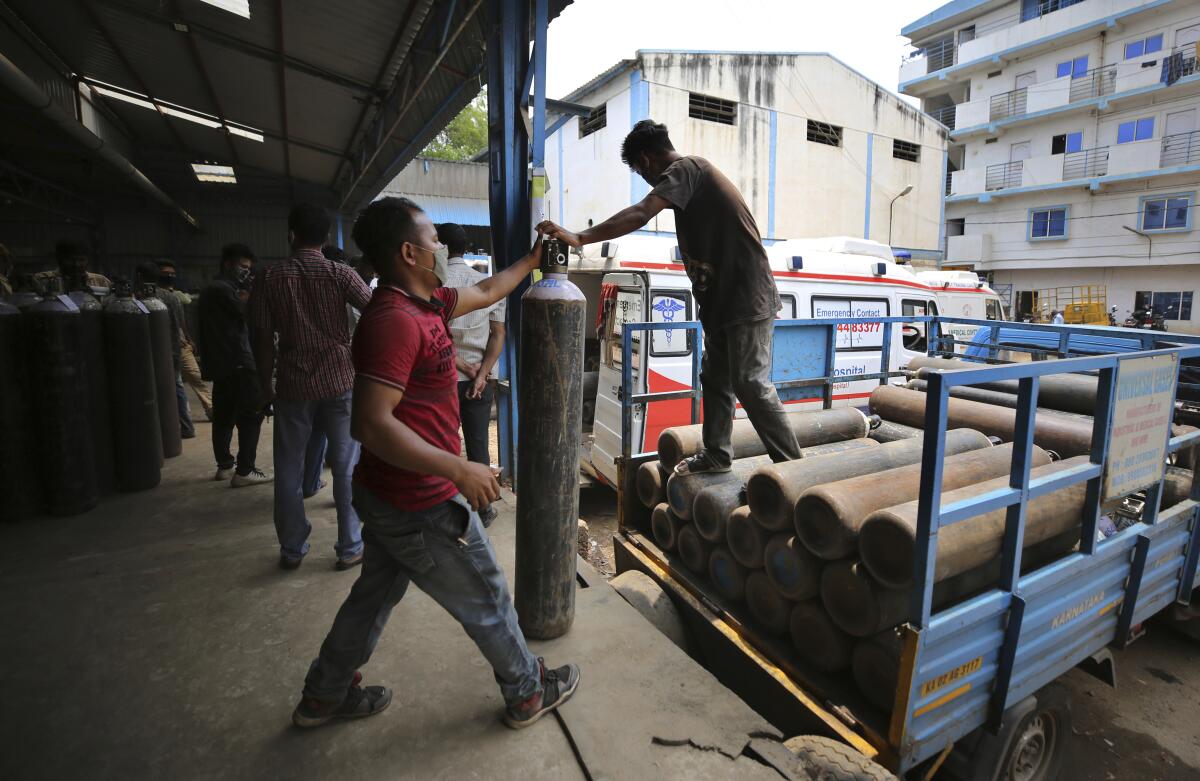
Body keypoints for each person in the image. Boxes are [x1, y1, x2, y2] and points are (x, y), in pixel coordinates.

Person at [290, 196, 580, 731]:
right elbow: (371, 424)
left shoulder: (428, 303)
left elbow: (491, 289)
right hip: (418, 501)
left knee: (372, 596)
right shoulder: (393, 321)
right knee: (486, 594)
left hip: (390, 495)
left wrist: (534, 258)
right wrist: (458, 469)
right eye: (433, 241)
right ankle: (527, 691)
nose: (441, 249)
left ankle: (324, 695)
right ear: (409, 252)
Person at [538, 119, 802, 475]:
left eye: (639, 170)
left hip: (745, 297)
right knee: (715, 378)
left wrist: (581, 238)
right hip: (723, 302)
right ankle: (718, 455)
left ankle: (794, 469)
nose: (646, 180)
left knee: (750, 383)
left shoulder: (687, 169)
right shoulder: (691, 180)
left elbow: (640, 212)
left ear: (644, 161)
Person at [250, 204, 371, 571]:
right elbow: (378, 309)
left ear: (291, 234)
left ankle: (292, 547)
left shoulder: (270, 277)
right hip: (340, 378)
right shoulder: (340, 274)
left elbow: (260, 337)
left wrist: (264, 383)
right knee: (347, 465)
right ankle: (350, 545)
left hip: (292, 381)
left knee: (288, 467)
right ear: (327, 239)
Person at [440, 222, 504, 527]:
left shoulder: (434, 285)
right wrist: (481, 374)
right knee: (478, 443)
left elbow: (431, 335)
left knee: (445, 442)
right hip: (480, 380)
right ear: (465, 248)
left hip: (443, 380)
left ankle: (448, 506)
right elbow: (498, 333)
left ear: (439, 247)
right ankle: (485, 508)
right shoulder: (486, 284)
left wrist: (460, 366)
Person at [199, 244, 270, 487]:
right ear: (228, 264)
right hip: (239, 360)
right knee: (251, 414)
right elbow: (248, 313)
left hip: (220, 364)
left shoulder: (210, 289)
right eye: (243, 267)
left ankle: (225, 466)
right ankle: (245, 470)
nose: (246, 273)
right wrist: (252, 291)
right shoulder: (224, 290)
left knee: (223, 416)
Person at [138, 261, 195, 440]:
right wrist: (186, 339)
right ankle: (185, 427)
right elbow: (180, 322)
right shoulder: (171, 298)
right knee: (175, 387)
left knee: (153, 389)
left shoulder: (138, 298)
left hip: (148, 352)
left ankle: (158, 430)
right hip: (171, 350)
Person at [158, 260, 214, 421]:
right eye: (166, 273)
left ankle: (211, 410)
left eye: (172, 274)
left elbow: (181, 321)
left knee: (196, 377)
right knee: (175, 384)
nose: (170, 276)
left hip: (181, 346)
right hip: (162, 347)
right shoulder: (152, 296)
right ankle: (180, 419)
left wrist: (188, 339)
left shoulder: (176, 295)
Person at [33, 241, 112, 295]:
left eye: (81, 260)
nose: (76, 264)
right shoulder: (41, 279)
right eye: (70, 259)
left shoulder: (101, 281)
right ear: (59, 259)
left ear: (88, 260)